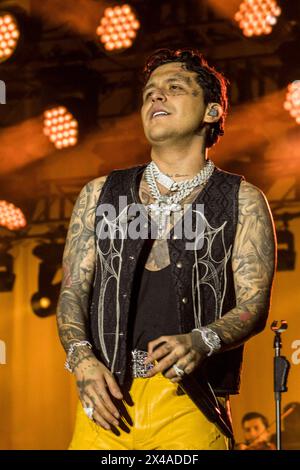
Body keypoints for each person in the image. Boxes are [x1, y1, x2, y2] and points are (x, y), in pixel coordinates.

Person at [57, 48, 276, 450]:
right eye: (149, 92)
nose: (156, 96)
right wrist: (82, 360)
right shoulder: (99, 194)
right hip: (107, 406)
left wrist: (202, 339)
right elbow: (72, 292)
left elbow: (253, 305)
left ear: (212, 112)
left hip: (189, 403)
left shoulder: (242, 200)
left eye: (174, 87)